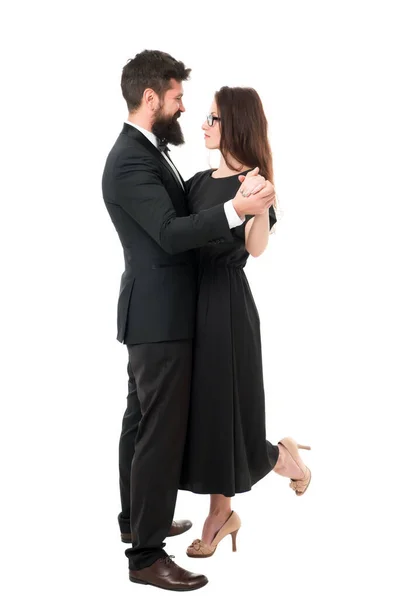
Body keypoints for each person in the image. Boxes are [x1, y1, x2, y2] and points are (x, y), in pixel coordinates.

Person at [102, 51, 275, 591]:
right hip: (162, 317)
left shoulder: (148, 152)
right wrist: (235, 211)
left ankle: (138, 521)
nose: (184, 109)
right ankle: (147, 556)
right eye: (177, 98)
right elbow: (172, 233)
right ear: (151, 98)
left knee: (140, 423)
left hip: (161, 314)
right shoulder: (131, 159)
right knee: (157, 432)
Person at [178, 87, 312, 558]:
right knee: (202, 412)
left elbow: (255, 248)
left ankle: (275, 473)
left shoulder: (255, 183)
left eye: (213, 117)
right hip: (187, 304)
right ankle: (236, 499)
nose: (204, 125)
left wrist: (257, 201)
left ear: (235, 122)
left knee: (223, 409)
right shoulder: (195, 182)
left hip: (227, 305)